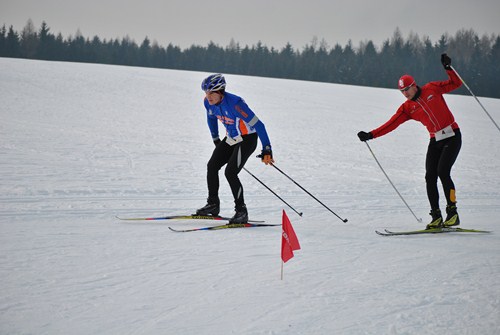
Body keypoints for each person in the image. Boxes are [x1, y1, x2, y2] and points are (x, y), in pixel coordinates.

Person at [357, 54, 463, 229]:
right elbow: (391, 124)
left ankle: (453, 213)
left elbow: (455, 83)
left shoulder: (432, 89)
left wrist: (448, 68)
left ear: (414, 85)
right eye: (402, 91)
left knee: (443, 172)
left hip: (452, 136)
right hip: (435, 139)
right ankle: (436, 216)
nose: (405, 93)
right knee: (430, 176)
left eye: (407, 89)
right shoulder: (407, 108)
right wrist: (370, 135)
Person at [196, 74, 274, 223]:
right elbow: (211, 118)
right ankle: (213, 204)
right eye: (206, 92)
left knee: (230, 172)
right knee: (212, 166)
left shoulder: (236, 104)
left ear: (220, 92)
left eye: (211, 92)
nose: (208, 96)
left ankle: (241, 211)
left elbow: (259, 125)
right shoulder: (208, 102)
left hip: (247, 139)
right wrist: (216, 139)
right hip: (231, 138)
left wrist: (267, 149)